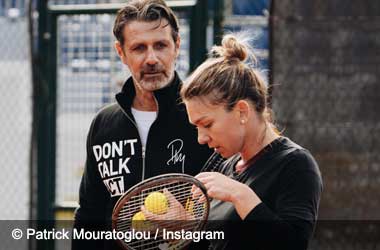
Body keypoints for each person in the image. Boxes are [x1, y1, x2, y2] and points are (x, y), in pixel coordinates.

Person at [72, 1, 212, 249]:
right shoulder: (104, 124)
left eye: (161, 45)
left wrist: (189, 231)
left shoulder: (204, 120)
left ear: (177, 46)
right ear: (121, 53)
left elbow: (227, 219)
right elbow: (89, 215)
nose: (151, 59)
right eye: (138, 48)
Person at [180, 33, 323, 250]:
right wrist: (182, 226)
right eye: (196, 127)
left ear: (242, 111)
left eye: (207, 124)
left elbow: (293, 243)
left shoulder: (296, 164)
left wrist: (240, 195)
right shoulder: (222, 164)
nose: (201, 138)